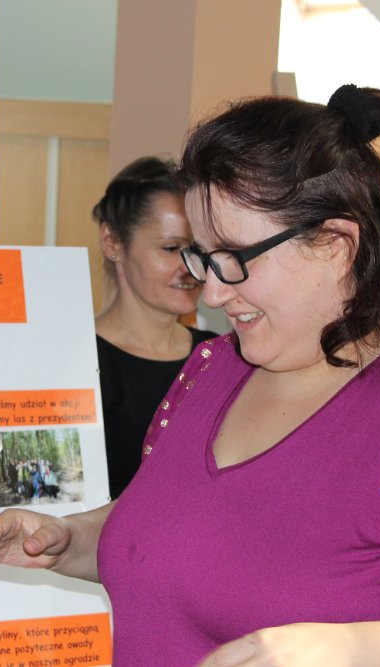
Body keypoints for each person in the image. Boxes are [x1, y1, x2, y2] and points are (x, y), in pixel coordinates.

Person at [0, 84, 380, 666]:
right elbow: (177, 540)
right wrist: (72, 539)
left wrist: (351, 649)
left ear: (336, 244)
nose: (213, 291)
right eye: (203, 256)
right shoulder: (214, 369)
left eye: (235, 258)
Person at [92, 156, 218, 498]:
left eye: (200, 250)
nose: (190, 267)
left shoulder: (219, 356)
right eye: (171, 248)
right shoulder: (80, 363)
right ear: (113, 243)